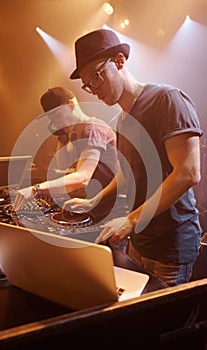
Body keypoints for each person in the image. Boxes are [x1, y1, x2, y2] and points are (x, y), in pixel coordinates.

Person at [63, 28, 203, 286]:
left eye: (96, 77)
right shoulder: (121, 121)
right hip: (139, 241)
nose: (93, 89)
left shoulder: (167, 99)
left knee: (165, 322)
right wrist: (95, 199)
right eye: (87, 84)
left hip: (171, 246)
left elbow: (188, 172)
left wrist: (130, 220)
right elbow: (127, 173)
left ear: (119, 61)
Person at [13, 86, 120, 221]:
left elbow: (83, 177)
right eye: (51, 119)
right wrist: (62, 137)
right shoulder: (74, 136)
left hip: (112, 212)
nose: (56, 123)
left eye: (57, 116)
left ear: (70, 105)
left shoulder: (94, 129)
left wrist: (36, 190)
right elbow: (62, 168)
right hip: (94, 207)